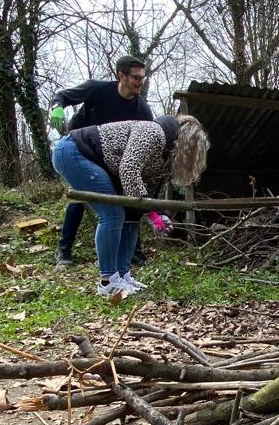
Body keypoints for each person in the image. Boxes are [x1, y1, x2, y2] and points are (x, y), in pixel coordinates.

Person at [51, 115, 209, 297]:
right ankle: (108, 281)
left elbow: (151, 190)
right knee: (113, 214)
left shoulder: (167, 156)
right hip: (74, 152)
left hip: (95, 161)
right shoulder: (153, 132)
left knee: (132, 217)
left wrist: (160, 213)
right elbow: (129, 169)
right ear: (186, 142)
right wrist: (151, 214)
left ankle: (122, 276)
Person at [49, 56, 154, 266]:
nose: (140, 82)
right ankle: (63, 250)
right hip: (79, 149)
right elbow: (61, 96)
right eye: (136, 78)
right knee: (82, 197)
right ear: (120, 76)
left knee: (125, 197)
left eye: (143, 78)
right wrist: (57, 108)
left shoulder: (142, 110)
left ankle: (133, 252)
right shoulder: (97, 89)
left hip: (110, 156)